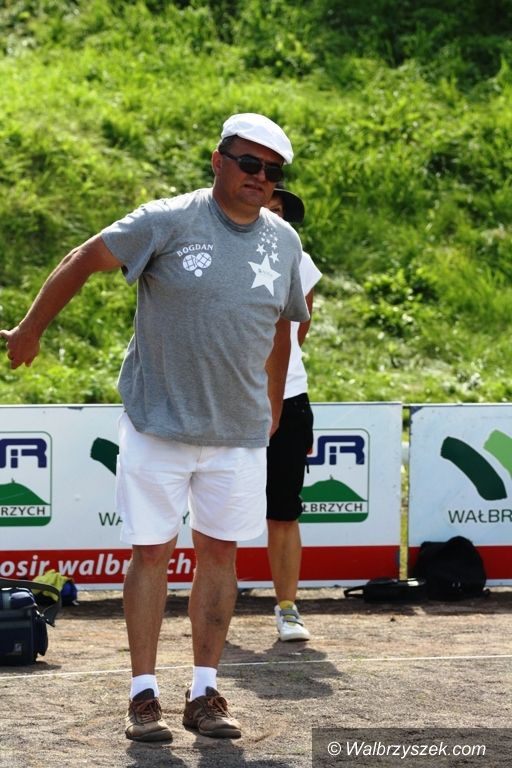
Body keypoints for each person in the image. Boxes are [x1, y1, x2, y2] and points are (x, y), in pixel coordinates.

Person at [0, 113, 309, 742]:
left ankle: (204, 693)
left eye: (272, 171)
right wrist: (31, 328)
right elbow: (83, 258)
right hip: (157, 423)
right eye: (249, 163)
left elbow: (283, 326)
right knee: (151, 554)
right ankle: (143, 695)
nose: (260, 178)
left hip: (238, 433)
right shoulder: (167, 219)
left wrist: (274, 402)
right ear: (218, 161)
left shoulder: (284, 240)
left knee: (220, 556)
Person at [265, 184, 322, 641]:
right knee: (214, 513)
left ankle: (287, 607)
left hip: (289, 398)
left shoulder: (299, 260)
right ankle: (213, 602)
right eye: (267, 206)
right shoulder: (215, 251)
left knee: (284, 512)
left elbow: (296, 334)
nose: (272, 215)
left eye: (280, 210)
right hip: (224, 399)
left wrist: (274, 384)